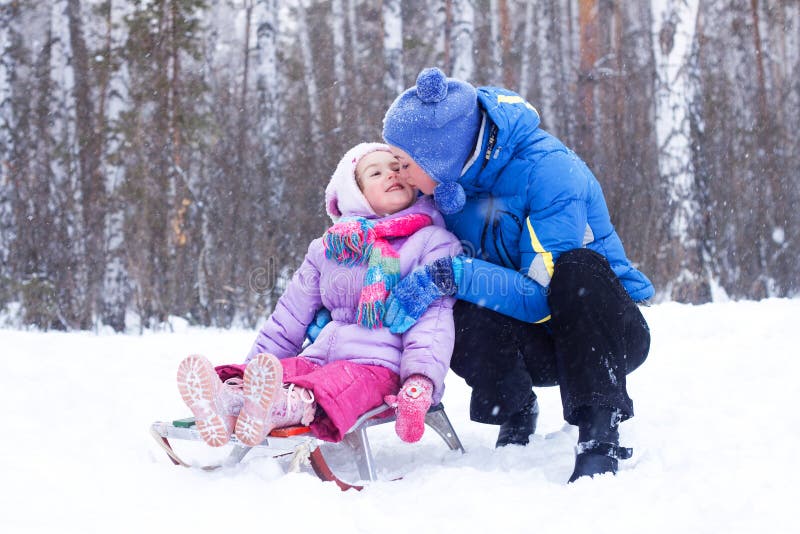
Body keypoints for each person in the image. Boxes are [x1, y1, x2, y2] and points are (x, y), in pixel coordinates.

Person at [380, 67, 654, 482]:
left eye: (404, 163)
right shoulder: (449, 187)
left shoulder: (551, 171)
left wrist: (455, 273)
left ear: (441, 156)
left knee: (576, 270)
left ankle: (600, 432)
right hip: (538, 345)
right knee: (456, 308)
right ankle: (514, 408)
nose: (400, 174)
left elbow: (545, 294)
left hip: (605, 335)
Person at [176, 142, 461, 448]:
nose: (391, 175)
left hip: (382, 367)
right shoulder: (331, 248)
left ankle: (278, 407)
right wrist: (256, 367)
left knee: (331, 384)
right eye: (375, 173)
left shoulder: (432, 242)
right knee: (289, 371)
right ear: (356, 194)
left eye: (396, 167)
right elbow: (289, 317)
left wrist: (420, 380)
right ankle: (230, 400)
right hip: (322, 356)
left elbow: (434, 320)